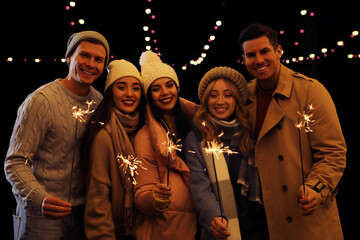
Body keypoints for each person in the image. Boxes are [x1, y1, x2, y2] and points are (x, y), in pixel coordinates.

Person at [238, 23, 347, 239]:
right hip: (262, 222)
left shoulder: (310, 91)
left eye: (264, 51)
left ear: (279, 51)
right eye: (251, 55)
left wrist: (316, 188)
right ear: (244, 59)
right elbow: (208, 112)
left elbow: (333, 153)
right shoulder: (244, 96)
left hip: (305, 217)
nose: (258, 60)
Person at [4, 30, 109, 239]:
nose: (91, 63)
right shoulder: (41, 100)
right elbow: (15, 162)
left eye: (99, 59)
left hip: (82, 216)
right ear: (69, 57)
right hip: (41, 217)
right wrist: (39, 198)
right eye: (84, 55)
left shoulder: (99, 103)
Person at [184, 66, 269, 240]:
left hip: (259, 225)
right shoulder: (197, 137)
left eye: (228, 95)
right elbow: (199, 184)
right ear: (206, 99)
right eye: (213, 95)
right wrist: (213, 216)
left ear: (237, 99)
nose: (220, 101)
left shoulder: (251, 129)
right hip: (222, 225)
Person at [133, 51, 198, 240]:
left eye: (169, 85)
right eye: (156, 88)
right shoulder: (145, 136)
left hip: (200, 224)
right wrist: (155, 198)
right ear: (149, 95)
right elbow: (142, 191)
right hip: (165, 229)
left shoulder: (194, 124)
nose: (165, 93)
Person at [82, 59, 145, 239]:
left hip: (140, 231)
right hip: (113, 232)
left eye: (136, 88)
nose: (130, 94)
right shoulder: (104, 135)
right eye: (121, 87)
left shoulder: (142, 127)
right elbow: (97, 202)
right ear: (110, 92)